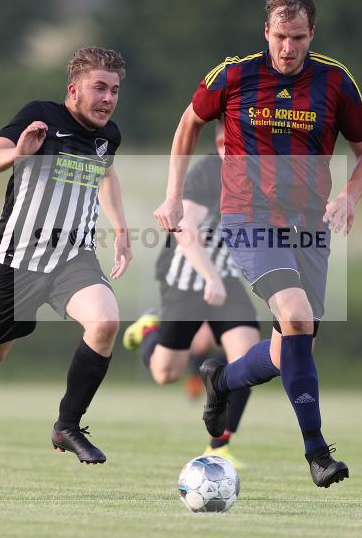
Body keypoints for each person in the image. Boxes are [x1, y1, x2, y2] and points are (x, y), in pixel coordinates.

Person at [154, 0, 362, 488]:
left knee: (288, 350)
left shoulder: (335, 81)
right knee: (296, 316)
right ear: (266, 32)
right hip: (249, 219)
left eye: (298, 37)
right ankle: (317, 452)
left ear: (312, 34)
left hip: (310, 226)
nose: (288, 47)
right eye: (280, 36)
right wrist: (173, 196)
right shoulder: (233, 75)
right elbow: (189, 123)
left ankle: (222, 379)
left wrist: (348, 197)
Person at [0, 47, 132, 475]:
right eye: (99, 88)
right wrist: (18, 155)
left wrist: (120, 228)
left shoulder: (109, 135)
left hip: (73, 258)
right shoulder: (40, 116)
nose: (108, 98)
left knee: (105, 322)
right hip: (17, 261)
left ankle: (67, 425)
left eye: (114, 90)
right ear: (73, 90)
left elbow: (106, 172)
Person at [124, 119, 261, 468]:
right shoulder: (207, 173)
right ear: (221, 145)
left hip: (225, 279)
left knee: (247, 359)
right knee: (166, 373)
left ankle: (219, 445)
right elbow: (185, 228)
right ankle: (149, 330)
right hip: (186, 278)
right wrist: (209, 276)